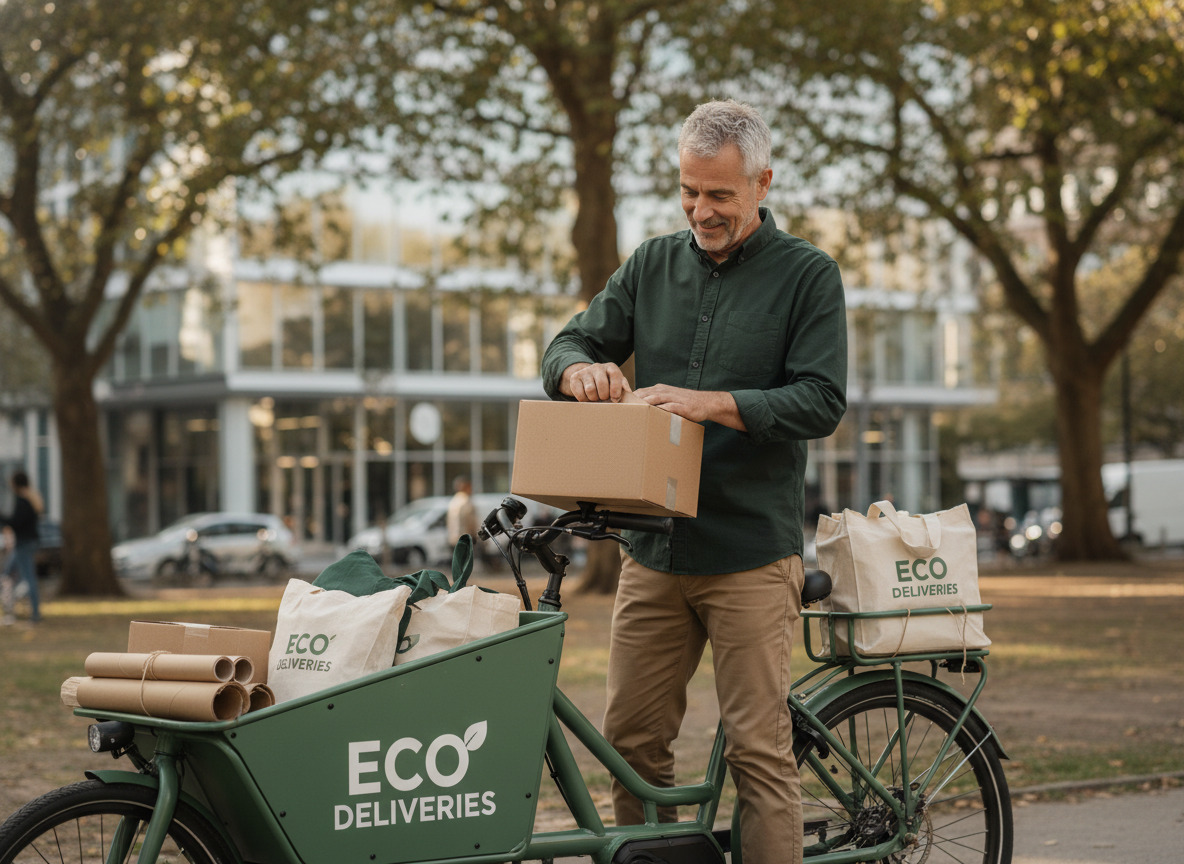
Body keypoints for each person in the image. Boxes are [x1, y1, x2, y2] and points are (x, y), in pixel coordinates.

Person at [540, 99, 848, 864]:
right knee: (631, 745)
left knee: (758, 754)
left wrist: (714, 405)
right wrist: (578, 367)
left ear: (762, 183)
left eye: (719, 195)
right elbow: (568, 340)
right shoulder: (651, 264)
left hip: (749, 554)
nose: (699, 210)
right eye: (688, 190)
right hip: (654, 554)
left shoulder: (808, 275)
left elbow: (822, 399)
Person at [2, 471, 43, 625]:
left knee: (25, 577)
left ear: (15, 484)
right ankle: (11, 611)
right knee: (9, 575)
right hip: (28, 542)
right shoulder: (32, 499)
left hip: (23, 544)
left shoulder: (23, 501)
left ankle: (35, 614)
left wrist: (3, 518)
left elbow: (16, 522)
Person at [445, 475, 478, 547]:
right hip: (465, 541)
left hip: (453, 540)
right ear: (466, 487)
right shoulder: (466, 501)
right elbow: (472, 523)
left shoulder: (453, 501)